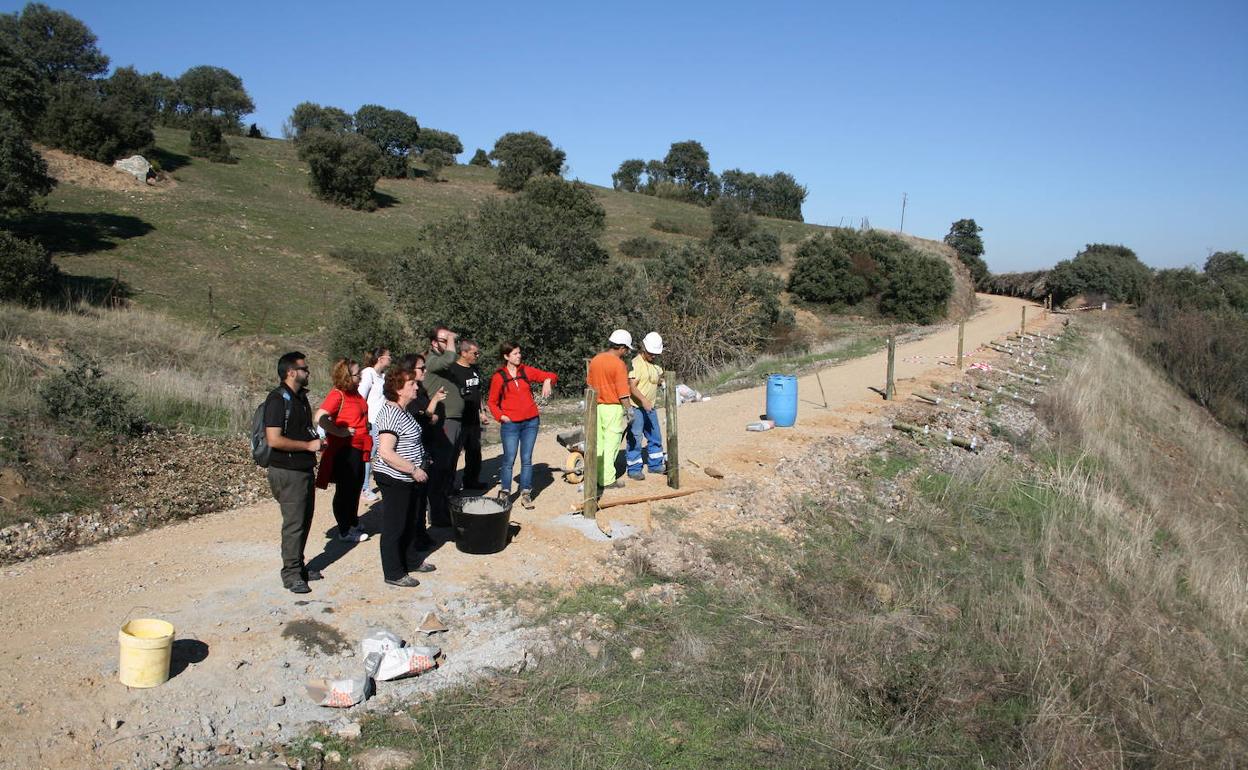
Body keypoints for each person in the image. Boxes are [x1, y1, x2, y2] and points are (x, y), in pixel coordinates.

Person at [372, 364, 438, 587]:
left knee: (410, 521)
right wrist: (413, 469)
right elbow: (386, 452)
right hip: (394, 478)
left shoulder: (404, 411)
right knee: (395, 525)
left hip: (409, 478)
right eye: (412, 384)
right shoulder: (390, 414)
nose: (416, 387)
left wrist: (422, 460)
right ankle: (393, 572)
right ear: (399, 389)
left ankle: (410, 560)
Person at [263, 351, 323, 594]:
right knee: (294, 523)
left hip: (303, 468)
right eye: (304, 368)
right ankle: (291, 574)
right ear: (291, 372)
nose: (308, 372)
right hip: (287, 471)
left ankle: (298, 567)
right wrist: (308, 446)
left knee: (304, 520)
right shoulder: (277, 400)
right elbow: (274, 439)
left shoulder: (299, 398)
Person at [487, 342, 558, 508]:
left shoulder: (526, 370)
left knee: (526, 459)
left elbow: (552, 375)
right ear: (506, 356)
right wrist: (500, 416)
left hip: (531, 422)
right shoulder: (499, 377)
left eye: (519, 353)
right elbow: (491, 402)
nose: (519, 356)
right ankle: (505, 492)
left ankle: (526, 492)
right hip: (510, 425)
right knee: (509, 459)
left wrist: (547, 380)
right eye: (515, 354)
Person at [313, 358, 372, 543]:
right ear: (347, 376)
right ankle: (344, 529)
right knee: (345, 490)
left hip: (359, 446)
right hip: (346, 449)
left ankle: (352, 521)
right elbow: (320, 417)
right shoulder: (338, 394)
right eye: (357, 374)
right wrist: (340, 431)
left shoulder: (354, 393)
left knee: (355, 487)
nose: (361, 377)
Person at [423, 326, 464, 528]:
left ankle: (444, 509)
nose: (449, 342)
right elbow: (450, 358)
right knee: (440, 468)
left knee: (449, 468)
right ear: (433, 343)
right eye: (443, 339)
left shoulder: (442, 363)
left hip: (454, 419)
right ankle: (437, 514)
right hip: (444, 421)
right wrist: (451, 339)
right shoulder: (432, 361)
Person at [586, 330, 635, 490]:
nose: (626, 352)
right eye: (626, 349)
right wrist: (629, 410)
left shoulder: (595, 360)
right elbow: (622, 391)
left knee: (598, 444)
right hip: (612, 408)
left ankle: (596, 476)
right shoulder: (618, 364)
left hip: (596, 407)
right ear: (621, 347)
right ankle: (607, 480)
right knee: (611, 445)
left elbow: (590, 384)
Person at [445, 339, 488, 491]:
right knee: (453, 453)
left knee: (475, 452)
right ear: (463, 353)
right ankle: (449, 486)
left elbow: (478, 391)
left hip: (474, 419)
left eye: (478, 352)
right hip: (458, 420)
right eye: (474, 353)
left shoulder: (475, 369)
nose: (477, 355)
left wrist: (482, 411)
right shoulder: (452, 370)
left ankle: (471, 481)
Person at [626, 332, 666, 481]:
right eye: (651, 353)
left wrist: (663, 383)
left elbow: (658, 378)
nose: (654, 356)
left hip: (650, 407)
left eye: (656, 353)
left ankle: (655, 464)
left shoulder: (655, 366)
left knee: (655, 435)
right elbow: (632, 387)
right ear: (644, 349)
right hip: (636, 407)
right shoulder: (636, 364)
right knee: (635, 437)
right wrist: (643, 400)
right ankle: (634, 468)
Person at [356, 347, 391, 502]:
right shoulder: (368, 373)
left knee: (375, 456)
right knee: (368, 456)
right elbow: (360, 397)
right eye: (388, 356)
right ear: (380, 359)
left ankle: (367, 485)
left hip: (380, 422)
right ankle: (363, 488)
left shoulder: (381, 376)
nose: (391, 358)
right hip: (371, 422)